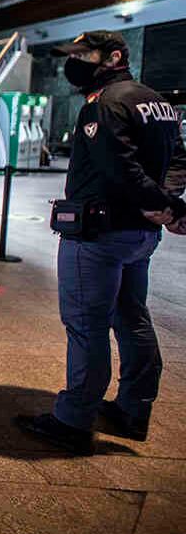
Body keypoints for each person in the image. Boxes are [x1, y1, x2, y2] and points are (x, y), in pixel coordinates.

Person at [17, 31, 186, 455]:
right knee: (132, 317)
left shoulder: (104, 104)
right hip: (140, 236)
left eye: (83, 55)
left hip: (98, 234)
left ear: (113, 57)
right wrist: (163, 206)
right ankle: (133, 409)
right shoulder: (158, 102)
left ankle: (73, 419)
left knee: (87, 325)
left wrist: (163, 205)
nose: (73, 64)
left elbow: (120, 170)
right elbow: (179, 160)